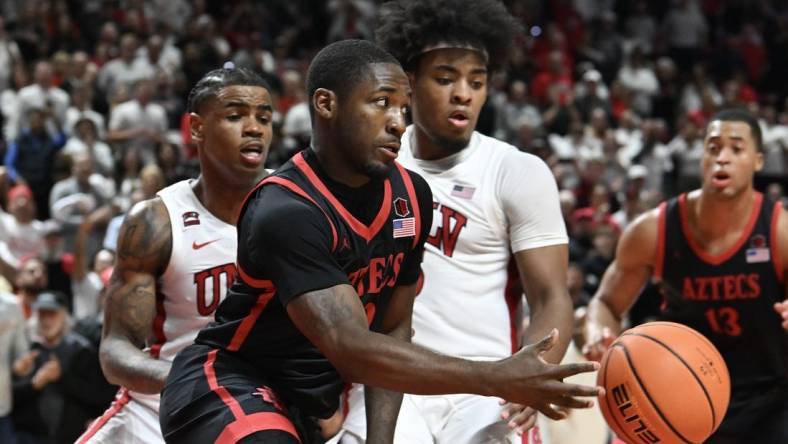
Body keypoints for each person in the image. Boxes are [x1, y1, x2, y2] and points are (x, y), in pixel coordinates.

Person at [159, 39, 601, 444]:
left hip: (312, 404)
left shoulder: (411, 196)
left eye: (403, 108)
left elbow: (392, 327)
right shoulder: (285, 209)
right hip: (227, 383)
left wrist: (380, 440)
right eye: (381, 104)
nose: (398, 123)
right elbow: (351, 346)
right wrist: (494, 377)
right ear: (326, 104)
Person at [337, 2, 575, 443]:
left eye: (477, 81)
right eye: (445, 78)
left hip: (486, 386)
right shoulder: (367, 166)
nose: (463, 93)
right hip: (391, 383)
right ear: (408, 83)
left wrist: (534, 371)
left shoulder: (514, 170)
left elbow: (550, 298)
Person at [75, 66, 274, 444]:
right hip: (164, 403)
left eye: (264, 118)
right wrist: (189, 380)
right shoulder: (155, 221)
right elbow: (116, 349)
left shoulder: (298, 208)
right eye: (235, 116)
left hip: (263, 403)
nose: (254, 128)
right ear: (197, 128)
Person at [584, 108, 788, 444]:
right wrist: (599, 332)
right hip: (676, 391)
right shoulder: (655, 229)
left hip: (766, 400)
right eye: (713, 147)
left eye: (736, 149)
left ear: (758, 161)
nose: (722, 158)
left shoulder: (779, 230)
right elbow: (605, 301)